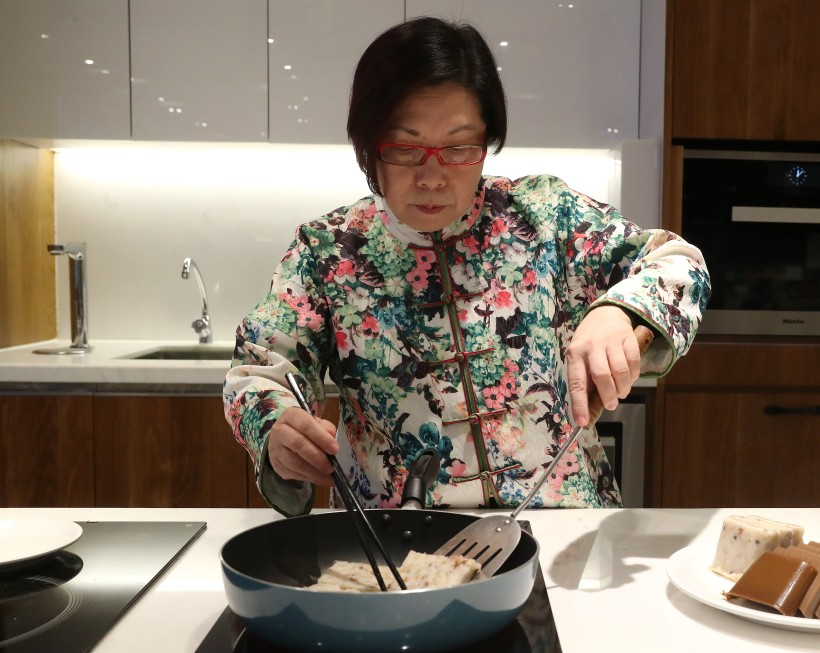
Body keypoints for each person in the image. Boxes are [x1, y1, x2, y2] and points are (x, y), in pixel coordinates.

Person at [223, 16, 710, 517]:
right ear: (369, 145)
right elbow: (258, 371)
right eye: (406, 148)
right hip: (397, 538)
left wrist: (620, 311)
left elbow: (678, 263)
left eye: (458, 148)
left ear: (486, 141)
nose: (432, 177)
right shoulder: (329, 251)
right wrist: (275, 426)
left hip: (559, 527)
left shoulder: (546, 216)